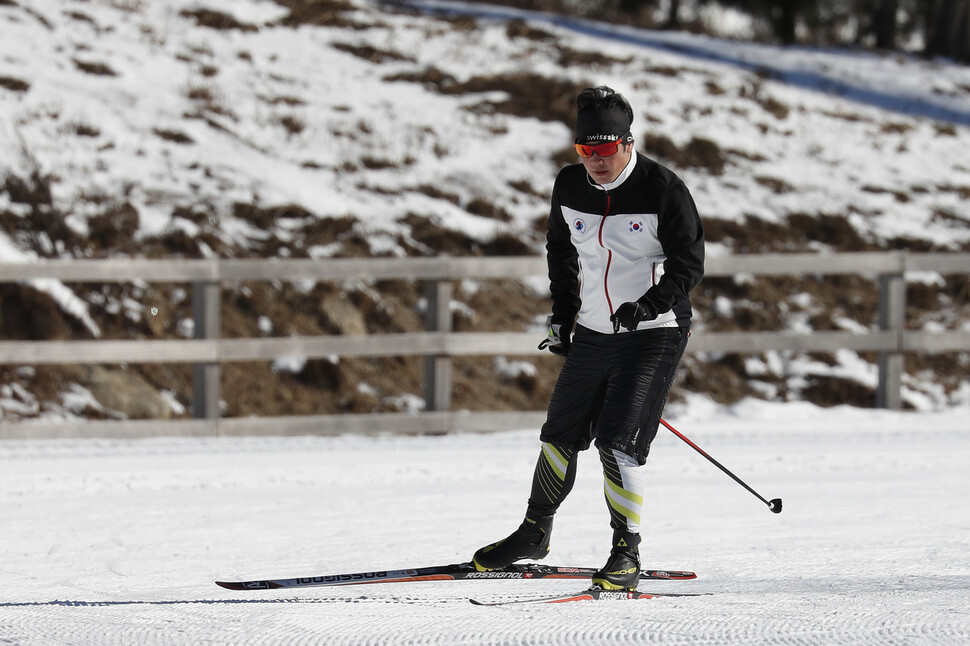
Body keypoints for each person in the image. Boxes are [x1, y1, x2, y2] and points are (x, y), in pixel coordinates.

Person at [472, 86, 705, 591]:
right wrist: (562, 316)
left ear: (626, 142)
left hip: (653, 334)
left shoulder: (663, 189)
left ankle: (626, 552)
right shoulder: (570, 185)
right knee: (560, 433)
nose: (594, 162)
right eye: (584, 151)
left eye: (603, 150)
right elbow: (561, 252)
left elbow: (689, 263)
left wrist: (650, 305)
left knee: (617, 441)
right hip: (595, 331)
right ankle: (534, 532)